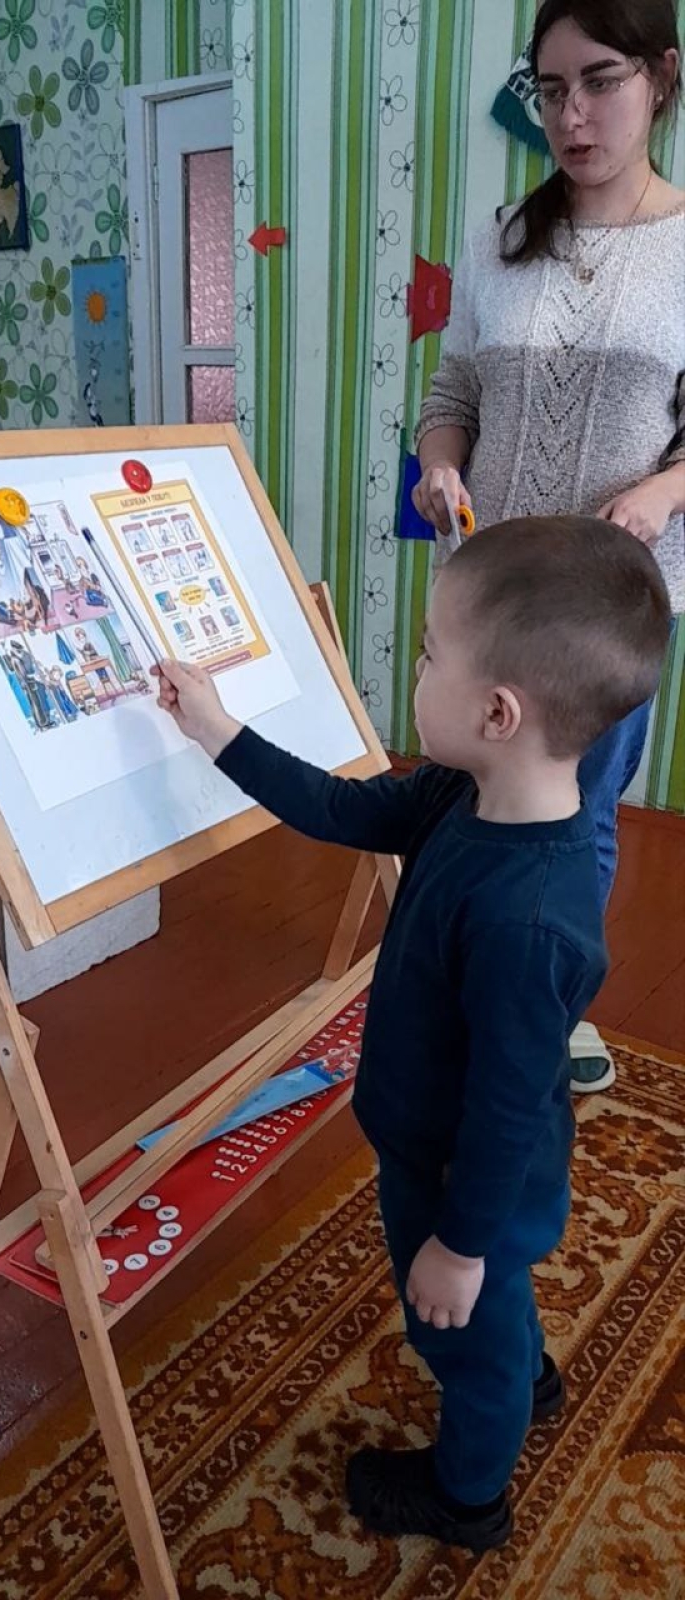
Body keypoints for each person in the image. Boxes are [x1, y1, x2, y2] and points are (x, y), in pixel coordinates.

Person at [152, 516, 671, 1550]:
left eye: (430, 654)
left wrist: (462, 1248)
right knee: (489, 1328)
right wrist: (218, 732)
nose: (415, 667)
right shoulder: (464, 791)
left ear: (497, 710)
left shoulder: (531, 922)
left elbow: (507, 1113)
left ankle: (469, 1497)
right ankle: (522, 1368)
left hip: (466, 1182)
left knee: (462, 1341)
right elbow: (345, 811)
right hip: (431, 1149)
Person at [412, 0, 685, 1092]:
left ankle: (553, 1005)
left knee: (580, 813)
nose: (573, 116)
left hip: (611, 601)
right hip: (489, 588)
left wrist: (664, 491)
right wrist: (441, 464)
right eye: (552, 89)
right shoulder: (498, 240)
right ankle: (456, 971)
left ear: (660, 78)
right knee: (459, 789)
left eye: (601, 82)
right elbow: (453, 393)